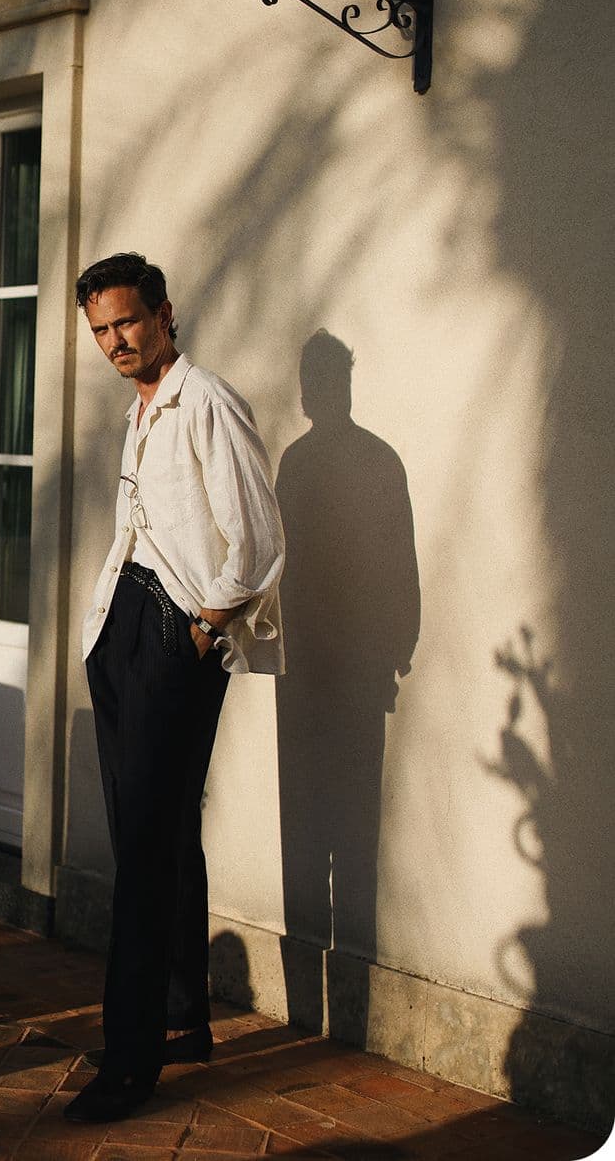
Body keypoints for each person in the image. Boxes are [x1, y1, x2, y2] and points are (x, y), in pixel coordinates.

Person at [64, 252, 285, 1124]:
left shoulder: (208, 402)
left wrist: (203, 626)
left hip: (173, 634)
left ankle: (130, 1063)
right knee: (154, 837)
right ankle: (181, 1018)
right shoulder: (142, 410)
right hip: (121, 628)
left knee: (147, 854)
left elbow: (256, 539)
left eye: (125, 321)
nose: (114, 341)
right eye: (100, 330)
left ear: (163, 313)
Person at [275, 330, 420, 1035]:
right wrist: (394, 652)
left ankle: (319, 1018)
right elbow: (401, 572)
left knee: (317, 837)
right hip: (336, 677)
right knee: (346, 838)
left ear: (324, 388)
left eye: (322, 380)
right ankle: (341, 1022)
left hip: (321, 679)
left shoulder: (309, 464)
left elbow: (394, 568)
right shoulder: (369, 460)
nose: (318, 393)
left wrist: (392, 650)